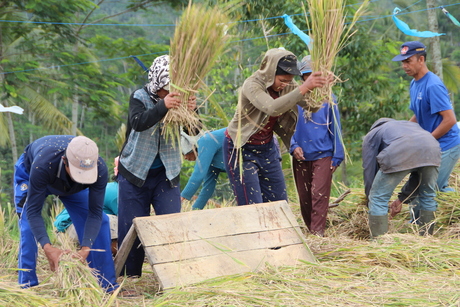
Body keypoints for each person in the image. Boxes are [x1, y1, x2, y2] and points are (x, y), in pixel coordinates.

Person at [117, 55, 197, 278]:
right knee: (131, 229)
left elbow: (194, 132)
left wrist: (192, 111)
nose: (170, 93)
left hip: (166, 174)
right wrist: (163, 106)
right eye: (166, 89)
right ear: (157, 83)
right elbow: (139, 122)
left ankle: (172, 275)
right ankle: (129, 277)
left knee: (171, 226)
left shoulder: (181, 101)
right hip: (135, 174)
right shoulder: (139, 97)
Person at [223, 48, 328, 206]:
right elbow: (272, 108)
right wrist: (304, 87)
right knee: (253, 207)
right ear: (271, 72)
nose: (285, 85)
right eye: (282, 80)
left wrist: (322, 87)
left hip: (267, 149)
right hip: (241, 149)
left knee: (278, 204)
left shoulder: (289, 85)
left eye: (289, 80)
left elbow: (312, 107)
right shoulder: (252, 85)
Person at [13, 135, 118, 291]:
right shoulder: (42, 165)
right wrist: (48, 248)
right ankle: (28, 286)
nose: (81, 178)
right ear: (64, 161)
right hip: (34, 176)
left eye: (86, 174)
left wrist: (85, 248)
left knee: (102, 222)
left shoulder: (99, 168)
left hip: (70, 188)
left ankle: (107, 285)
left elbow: (94, 213)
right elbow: (33, 212)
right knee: (28, 226)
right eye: (78, 173)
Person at [390, 41, 460, 219]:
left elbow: (450, 120)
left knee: (428, 189)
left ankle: (421, 228)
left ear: (421, 60)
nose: (404, 66)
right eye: (403, 62)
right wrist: (404, 133)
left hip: (446, 144)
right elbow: (418, 115)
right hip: (431, 144)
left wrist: (428, 140)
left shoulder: (432, 85)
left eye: (408, 61)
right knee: (435, 185)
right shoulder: (415, 84)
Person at [290, 55, 344, 236]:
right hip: (301, 155)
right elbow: (285, 126)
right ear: (303, 77)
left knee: (318, 196)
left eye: (315, 74)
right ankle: (310, 230)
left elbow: (336, 128)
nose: (311, 78)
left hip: (323, 155)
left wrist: (337, 156)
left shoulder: (329, 99)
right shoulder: (295, 99)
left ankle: (317, 235)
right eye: (307, 75)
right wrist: (292, 145)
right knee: (305, 198)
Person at [362, 118, 441, 237]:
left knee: (378, 198)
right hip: (432, 149)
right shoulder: (408, 126)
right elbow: (417, 179)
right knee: (428, 195)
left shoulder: (372, 134)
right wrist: (402, 199)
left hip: (402, 150)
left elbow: (369, 169)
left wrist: (369, 198)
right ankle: (427, 238)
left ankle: (379, 244)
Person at [181, 128, 226, 210]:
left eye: (184, 153)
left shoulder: (206, 141)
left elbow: (198, 175)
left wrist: (182, 197)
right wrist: (194, 212)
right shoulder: (210, 155)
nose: (185, 157)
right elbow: (208, 187)